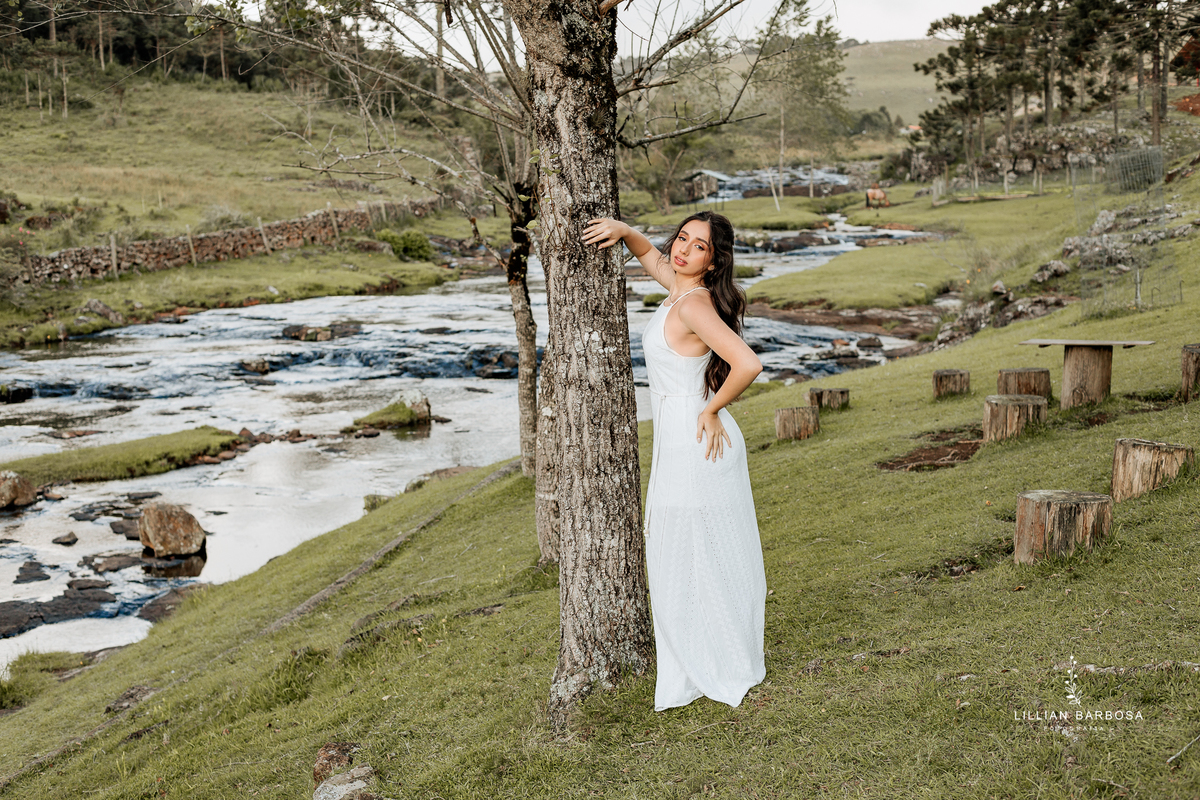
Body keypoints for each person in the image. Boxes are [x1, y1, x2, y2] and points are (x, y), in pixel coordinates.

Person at [581, 211, 767, 711]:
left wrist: (711, 407)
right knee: (683, 549)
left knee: (692, 548)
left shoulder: (694, 305)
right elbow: (650, 256)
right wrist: (624, 232)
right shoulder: (679, 288)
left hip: (696, 438)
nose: (682, 250)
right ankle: (699, 655)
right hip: (678, 435)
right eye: (681, 238)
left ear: (713, 262)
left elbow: (749, 363)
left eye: (698, 246)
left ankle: (718, 659)